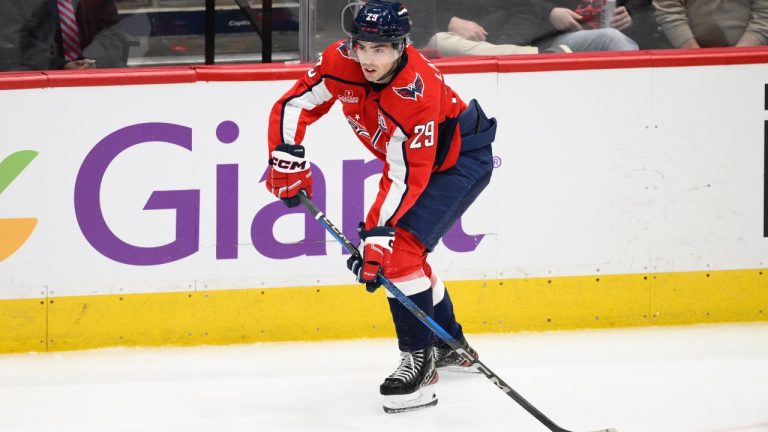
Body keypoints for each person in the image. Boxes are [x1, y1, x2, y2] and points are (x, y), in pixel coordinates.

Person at [265, 0, 497, 413]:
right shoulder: (342, 60)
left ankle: (420, 363)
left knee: (397, 254)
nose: (368, 59)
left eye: (381, 49)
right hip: (418, 165)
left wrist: (377, 238)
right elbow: (294, 104)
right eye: (362, 46)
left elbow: (407, 175)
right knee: (401, 255)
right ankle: (448, 344)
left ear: (402, 46)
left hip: (458, 162)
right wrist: (286, 154)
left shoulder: (416, 91)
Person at [653, 0, 768, 48]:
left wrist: (739, 58)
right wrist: (697, 59)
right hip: (685, 61)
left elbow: (765, 13)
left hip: (752, 65)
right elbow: (668, 9)